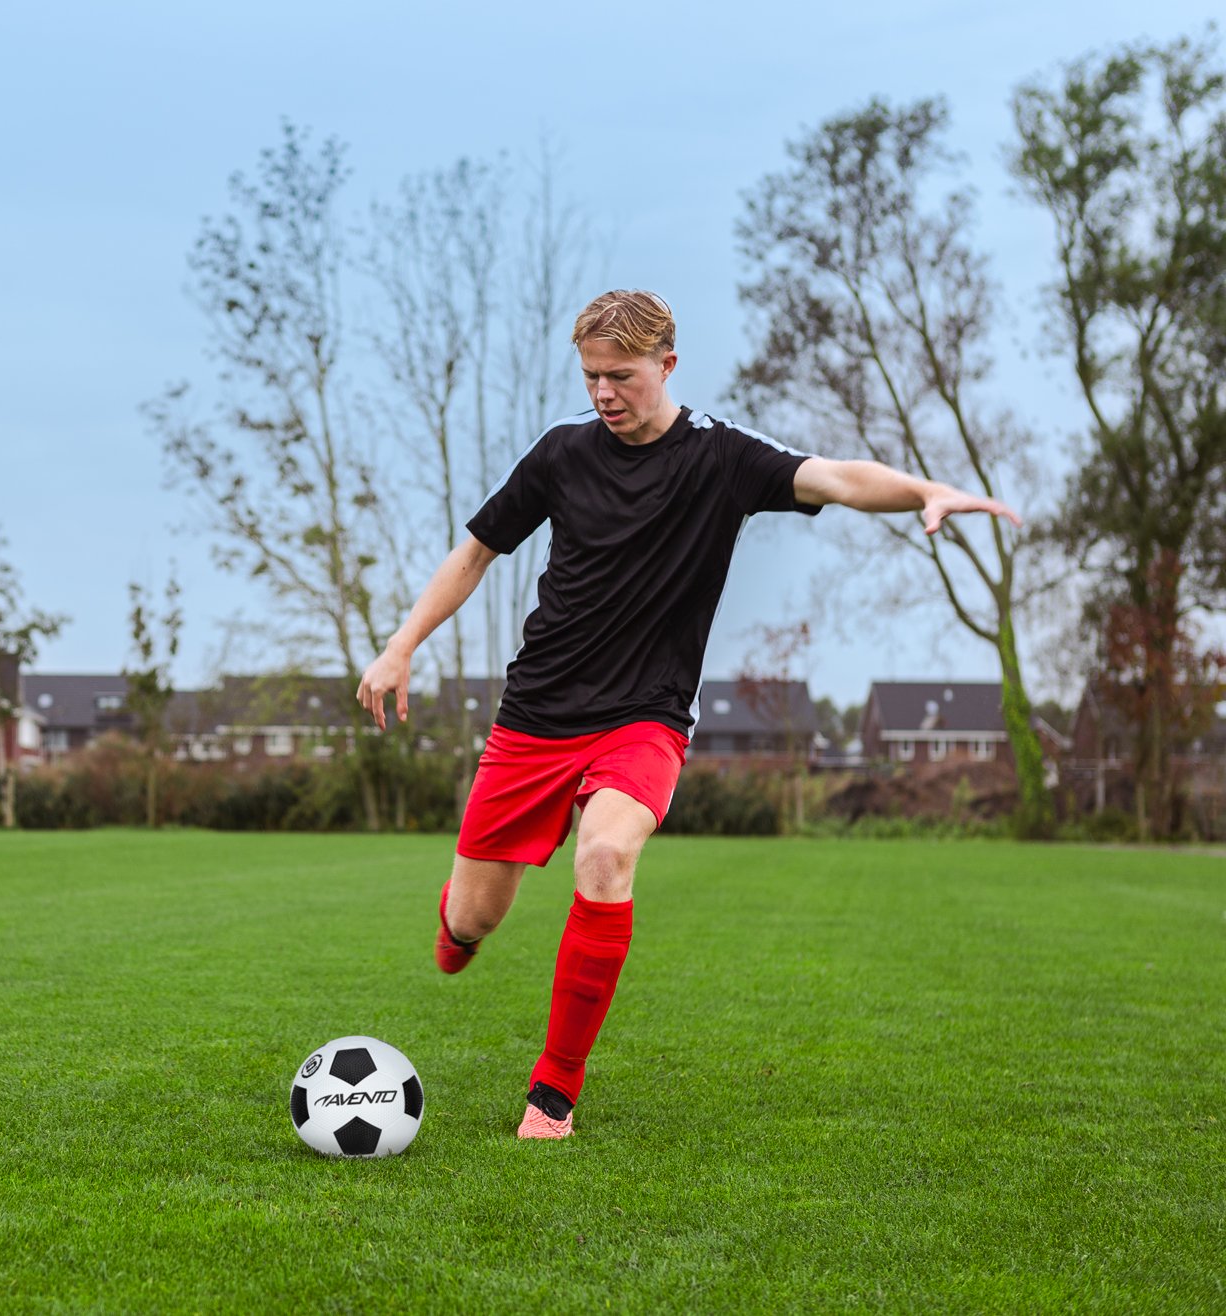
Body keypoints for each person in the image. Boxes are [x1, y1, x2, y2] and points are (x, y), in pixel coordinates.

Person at [355, 289, 1019, 1141]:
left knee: (604, 858)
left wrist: (928, 489)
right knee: (474, 918)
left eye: (622, 377)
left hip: (646, 717)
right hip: (537, 714)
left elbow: (840, 478)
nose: (604, 393)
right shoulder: (560, 456)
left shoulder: (721, 459)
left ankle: (553, 1094)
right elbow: (477, 551)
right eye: (593, 376)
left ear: (667, 366)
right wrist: (402, 643)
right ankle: (459, 918)